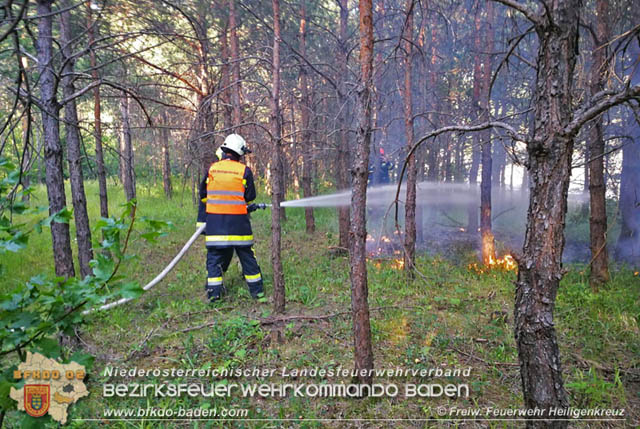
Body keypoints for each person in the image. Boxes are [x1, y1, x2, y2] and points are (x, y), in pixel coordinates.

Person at [196, 134, 264, 302]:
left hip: (215, 225)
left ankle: (213, 295)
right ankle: (257, 292)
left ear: (225, 150)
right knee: (247, 258)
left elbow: (204, 196)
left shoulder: (212, 169)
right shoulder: (244, 171)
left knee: (214, 260)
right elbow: (250, 197)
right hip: (239, 226)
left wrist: (216, 205)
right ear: (239, 153)